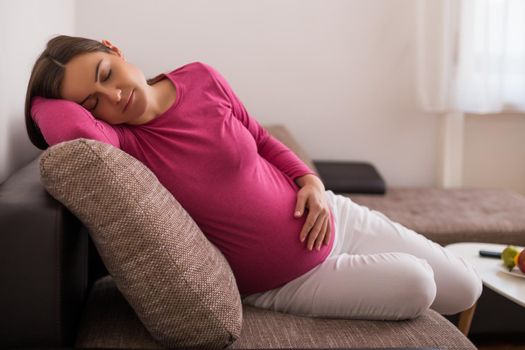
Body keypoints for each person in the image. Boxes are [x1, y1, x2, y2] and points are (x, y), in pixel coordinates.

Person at [26, 35, 482, 321]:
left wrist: (310, 182)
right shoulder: (123, 145)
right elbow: (63, 125)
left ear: (115, 49)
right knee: (420, 284)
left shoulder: (201, 77)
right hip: (288, 281)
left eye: (106, 74)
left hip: (333, 216)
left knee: (467, 286)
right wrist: (42, 95)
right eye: (92, 101)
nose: (113, 94)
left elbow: (261, 138)